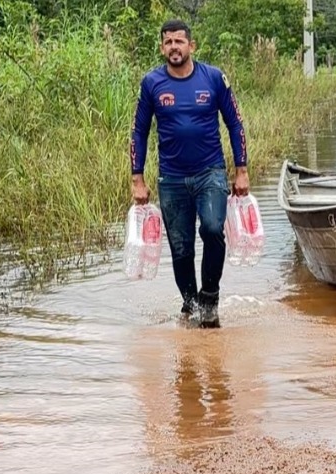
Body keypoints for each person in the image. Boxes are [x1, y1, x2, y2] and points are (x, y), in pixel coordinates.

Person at [130, 19, 250, 329]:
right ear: (162, 48)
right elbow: (139, 132)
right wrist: (137, 178)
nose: (174, 47)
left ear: (191, 46)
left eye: (179, 42)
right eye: (168, 42)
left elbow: (235, 124)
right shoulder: (151, 83)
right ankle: (190, 304)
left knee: (212, 229)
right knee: (180, 249)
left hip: (210, 172)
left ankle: (209, 297)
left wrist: (241, 170)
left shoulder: (214, 78)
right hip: (171, 179)